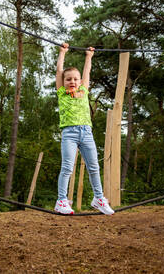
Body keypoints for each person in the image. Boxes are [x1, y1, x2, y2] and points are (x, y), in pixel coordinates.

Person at [54, 43, 114, 215]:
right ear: (63, 82)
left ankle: (99, 198)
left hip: (86, 132)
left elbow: (87, 72)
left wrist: (89, 56)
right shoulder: (61, 93)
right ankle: (61, 200)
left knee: (94, 166)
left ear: (80, 82)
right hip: (69, 133)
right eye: (68, 79)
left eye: (75, 79)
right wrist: (62, 53)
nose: (72, 81)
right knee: (67, 167)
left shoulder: (83, 90)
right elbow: (59, 72)